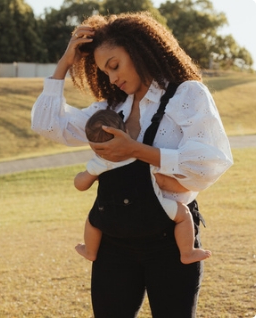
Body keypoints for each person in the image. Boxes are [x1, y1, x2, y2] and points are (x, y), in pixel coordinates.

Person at [31, 12, 233, 318]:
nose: (112, 78)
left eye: (115, 65)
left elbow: (211, 160)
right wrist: (65, 62)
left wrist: (136, 150)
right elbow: (48, 125)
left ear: (138, 49)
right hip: (113, 243)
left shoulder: (186, 94)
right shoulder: (111, 109)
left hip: (171, 240)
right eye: (105, 72)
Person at [74, 109, 211, 264]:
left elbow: (80, 185)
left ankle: (90, 251)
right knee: (183, 214)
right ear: (125, 132)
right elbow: (164, 183)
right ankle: (187, 252)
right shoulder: (142, 158)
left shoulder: (98, 164)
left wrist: (82, 176)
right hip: (150, 215)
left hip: (111, 220)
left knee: (93, 221)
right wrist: (189, 187)